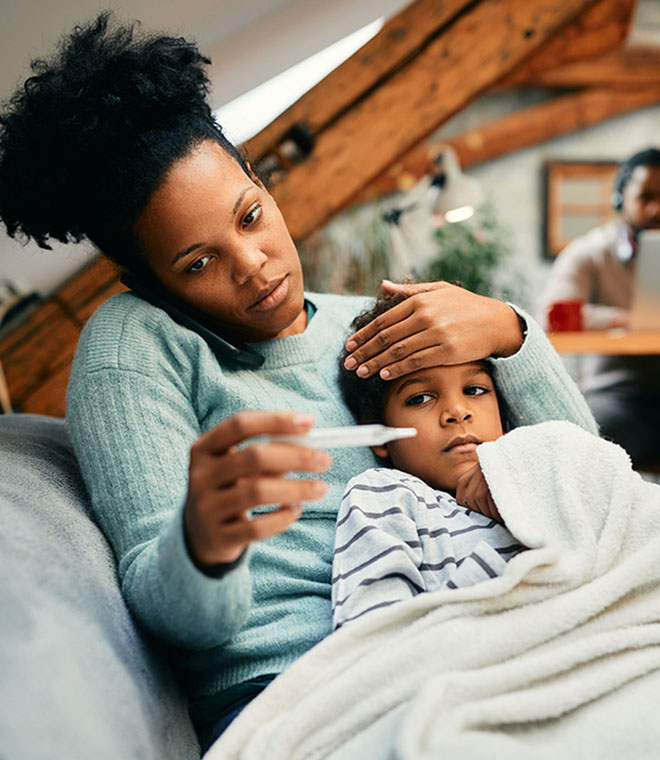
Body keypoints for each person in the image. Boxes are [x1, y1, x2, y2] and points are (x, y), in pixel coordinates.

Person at [0, 13, 597, 754]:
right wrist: (203, 540)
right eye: (197, 263)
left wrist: (509, 333)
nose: (253, 265)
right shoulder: (136, 345)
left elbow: (584, 479)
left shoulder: (372, 323)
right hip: (299, 694)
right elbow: (178, 613)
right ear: (147, 279)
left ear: (261, 180)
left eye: (251, 216)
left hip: (462, 644)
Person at [332, 292, 525, 630]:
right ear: (378, 431)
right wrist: (516, 570)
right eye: (421, 397)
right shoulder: (386, 496)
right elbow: (370, 637)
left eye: (475, 390)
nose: (457, 412)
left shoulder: (533, 473)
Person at [540, 148, 660, 467]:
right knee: (587, 447)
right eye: (646, 196)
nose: (656, 208)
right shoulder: (589, 254)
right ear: (619, 199)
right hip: (616, 396)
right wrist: (626, 320)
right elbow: (554, 313)